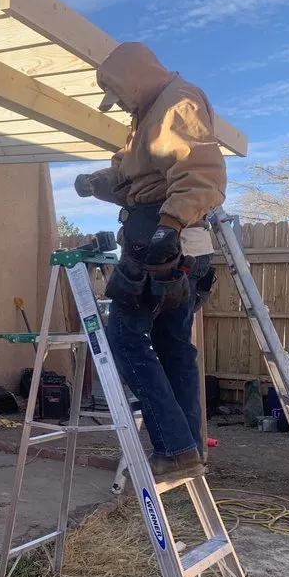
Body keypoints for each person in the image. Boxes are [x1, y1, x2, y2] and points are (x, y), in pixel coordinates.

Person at [74, 42, 223, 481]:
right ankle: (187, 448)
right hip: (173, 239)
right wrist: (95, 183)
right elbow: (131, 178)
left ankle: (174, 447)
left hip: (163, 238)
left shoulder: (176, 104)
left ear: (132, 78)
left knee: (122, 337)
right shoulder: (147, 118)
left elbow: (200, 174)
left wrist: (169, 225)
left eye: (118, 93)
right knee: (173, 345)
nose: (118, 103)